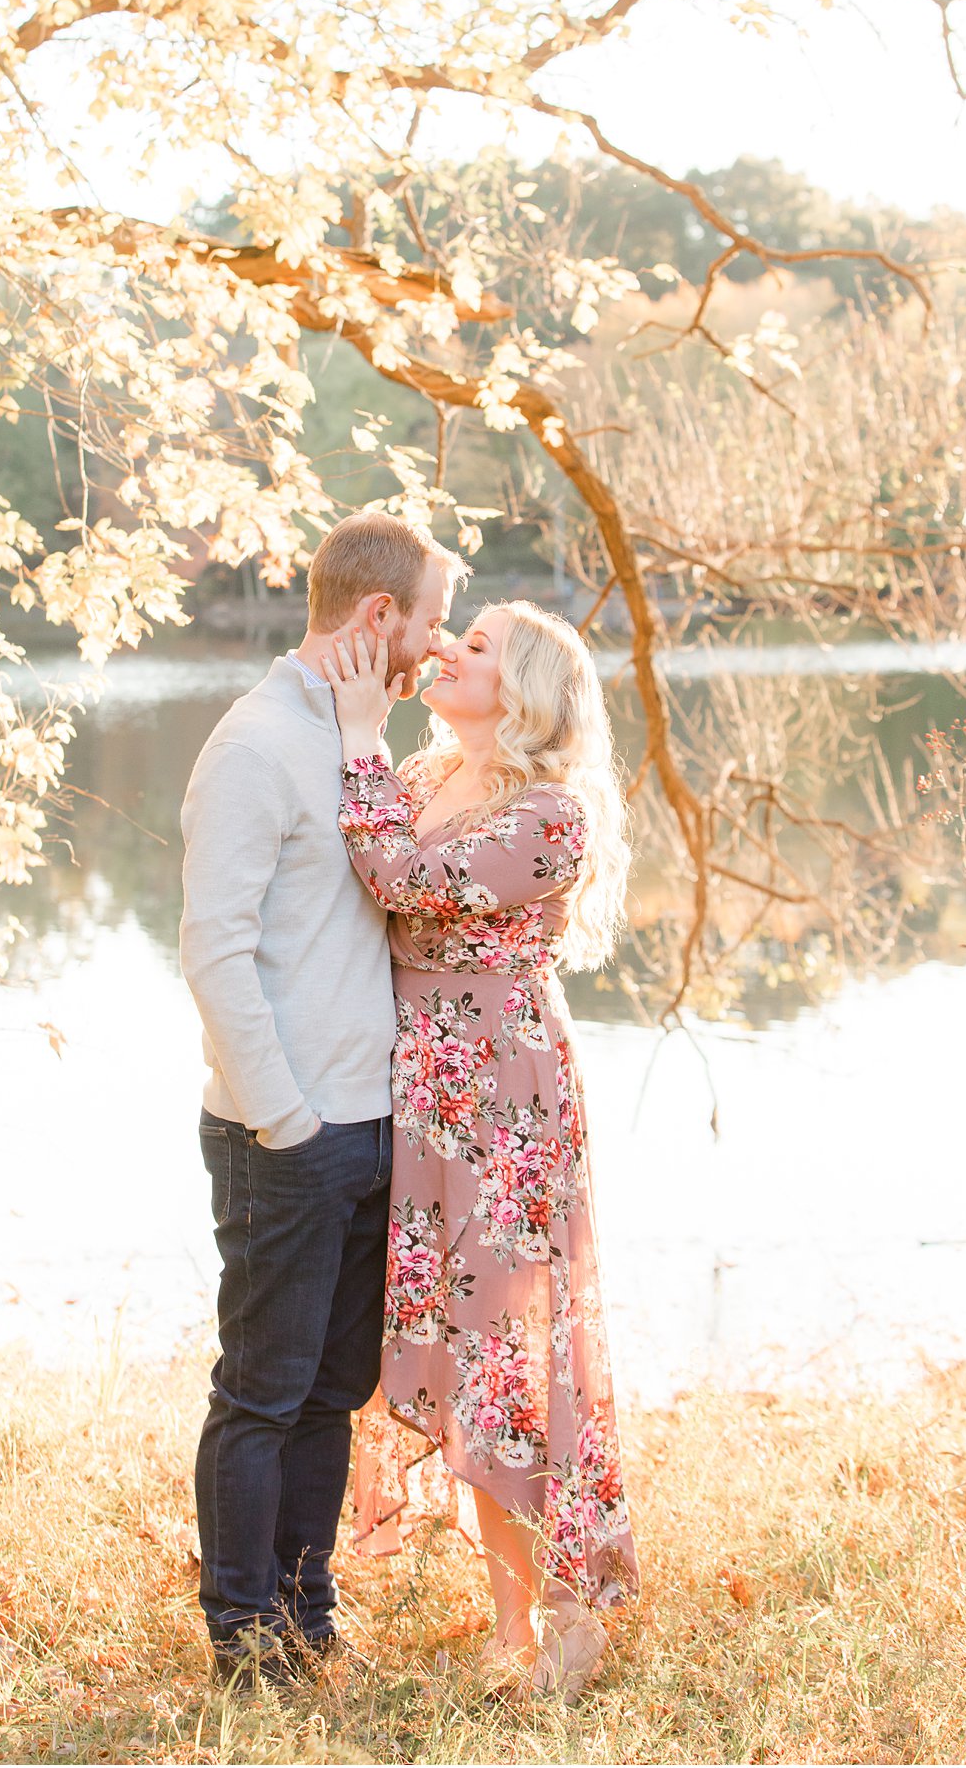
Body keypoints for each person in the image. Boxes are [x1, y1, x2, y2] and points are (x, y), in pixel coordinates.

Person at [321, 600, 640, 1702]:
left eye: (476, 647)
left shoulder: (551, 815)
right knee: (455, 1346)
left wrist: (358, 736)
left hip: (503, 1094)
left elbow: (401, 884)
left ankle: (548, 1622)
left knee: (507, 1349)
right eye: (452, 637)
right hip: (421, 1087)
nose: (446, 653)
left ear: (527, 691)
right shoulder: (418, 780)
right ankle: (510, 1620)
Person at [179, 513, 465, 1683]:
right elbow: (214, 950)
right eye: (435, 621)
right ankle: (239, 1638)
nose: (440, 648)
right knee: (261, 1393)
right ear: (377, 618)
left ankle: (306, 1612)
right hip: (283, 1133)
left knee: (330, 1391)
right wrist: (283, 1118)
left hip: (369, 1128)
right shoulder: (254, 746)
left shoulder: (360, 743)